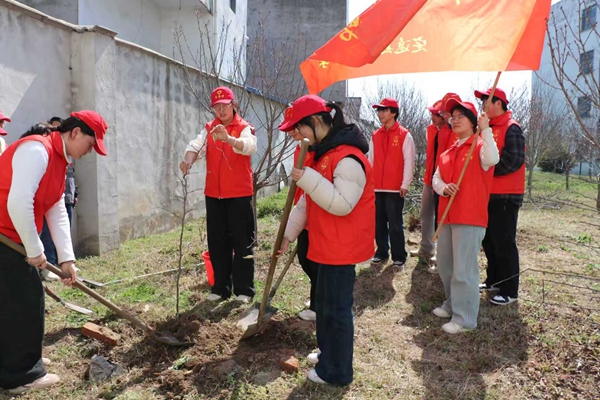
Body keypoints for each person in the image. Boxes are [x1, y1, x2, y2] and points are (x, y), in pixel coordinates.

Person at [0, 111, 108, 394]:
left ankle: (22, 358)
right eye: (90, 144)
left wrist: (67, 259)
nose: (90, 152)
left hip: (15, 237)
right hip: (4, 238)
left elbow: (55, 207)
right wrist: (36, 250)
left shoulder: (59, 159)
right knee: (22, 303)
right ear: (75, 133)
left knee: (18, 301)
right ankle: (21, 375)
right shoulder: (37, 150)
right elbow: (18, 203)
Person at [279, 94, 375, 386]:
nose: (297, 134)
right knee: (324, 308)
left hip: (341, 248)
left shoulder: (348, 158)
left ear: (316, 121)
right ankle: (327, 353)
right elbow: (308, 203)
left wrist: (308, 178)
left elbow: (342, 204)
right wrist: (288, 235)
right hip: (325, 244)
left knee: (336, 312)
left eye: (299, 127)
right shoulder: (324, 155)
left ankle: (337, 371)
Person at [180, 86, 257, 303]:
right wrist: (188, 160)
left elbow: (249, 147)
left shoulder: (244, 127)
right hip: (214, 195)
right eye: (217, 107)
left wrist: (228, 139)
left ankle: (244, 290)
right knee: (217, 243)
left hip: (239, 194)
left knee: (242, 243)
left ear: (233, 105)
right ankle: (220, 288)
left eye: (225, 106)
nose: (221, 111)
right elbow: (196, 145)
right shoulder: (209, 128)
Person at [431, 99, 499, 334]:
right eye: (453, 117)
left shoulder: (480, 146)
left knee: (464, 270)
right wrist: (443, 188)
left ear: (472, 122)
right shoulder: (449, 151)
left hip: (470, 217)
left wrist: (486, 130)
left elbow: (492, 159)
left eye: (461, 116)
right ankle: (452, 304)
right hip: (447, 216)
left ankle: (465, 318)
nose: (455, 120)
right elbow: (436, 178)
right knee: (446, 266)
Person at [474, 87, 526, 306]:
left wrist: (487, 170)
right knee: (489, 241)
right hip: (488, 194)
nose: (483, 105)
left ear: (498, 103)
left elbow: (514, 160)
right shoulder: (487, 128)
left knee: (504, 242)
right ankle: (494, 280)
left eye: (486, 100)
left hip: (506, 195)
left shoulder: (511, 127)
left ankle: (510, 290)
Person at [410, 94, 459, 272]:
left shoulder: (452, 131)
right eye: (432, 113)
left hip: (444, 181)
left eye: (436, 114)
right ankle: (426, 248)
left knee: (442, 219)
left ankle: (441, 255)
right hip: (429, 179)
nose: (432, 117)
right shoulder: (431, 130)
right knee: (426, 215)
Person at [279, 106, 317, 321]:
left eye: (294, 127)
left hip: (316, 212)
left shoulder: (318, 150)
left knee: (315, 262)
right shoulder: (299, 148)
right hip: (302, 211)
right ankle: (317, 296)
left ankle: (318, 304)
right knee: (305, 259)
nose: (291, 132)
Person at [368, 98, 415, 269]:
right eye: (379, 110)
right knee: (378, 222)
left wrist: (405, 183)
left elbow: (409, 161)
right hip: (377, 187)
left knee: (395, 224)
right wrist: (369, 184)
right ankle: (381, 252)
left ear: (394, 113)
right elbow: (370, 161)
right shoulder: (375, 135)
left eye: (384, 110)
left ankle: (399, 256)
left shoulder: (404, 135)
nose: (380, 113)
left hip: (395, 188)